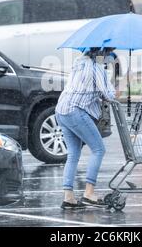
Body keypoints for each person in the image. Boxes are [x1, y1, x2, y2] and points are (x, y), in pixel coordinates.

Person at [55, 47, 116, 209]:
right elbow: (109, 96)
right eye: (109, 53)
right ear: (102, 54)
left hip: (61, 109)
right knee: (98, 150)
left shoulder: (79, 62)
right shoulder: (97, 68)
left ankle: (68, 197)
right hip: (75, 111)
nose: (110, 57)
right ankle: (89, 193)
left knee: (73, 153)